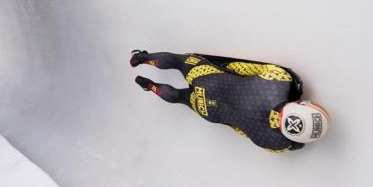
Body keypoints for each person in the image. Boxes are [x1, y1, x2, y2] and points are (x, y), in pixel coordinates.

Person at [130, 50, 331, 152]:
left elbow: (240, 67)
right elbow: (239, 130)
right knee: (180, 97)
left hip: (210, 79)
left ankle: (142, 57)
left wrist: (218, 67)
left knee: (178, 61)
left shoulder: (280, 81)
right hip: (211, 111)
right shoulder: (277, 144)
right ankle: (150, 86)